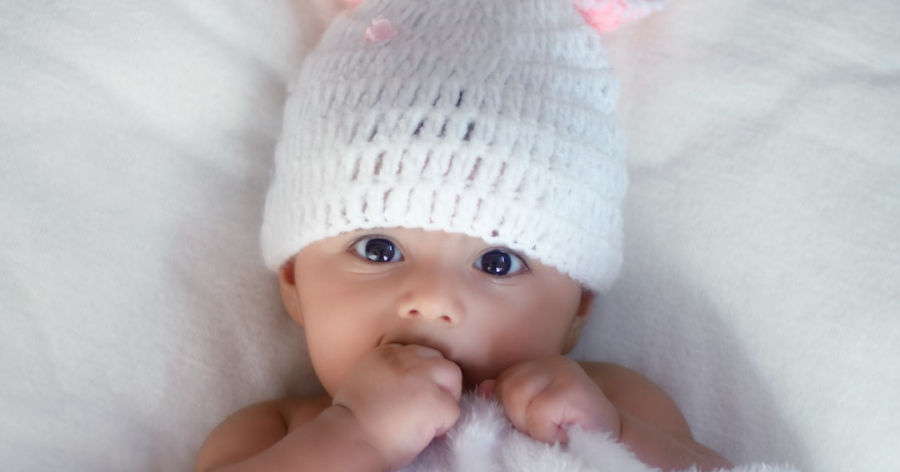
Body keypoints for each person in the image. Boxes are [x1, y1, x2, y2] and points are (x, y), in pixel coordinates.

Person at [195, 0, 732, 470]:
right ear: (293, 280)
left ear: (579, 307)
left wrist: (612, 435)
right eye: (379, 250)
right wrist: (357, 437)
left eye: (498, 262)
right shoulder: (279, 434)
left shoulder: (612, 402)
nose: (432, 299)